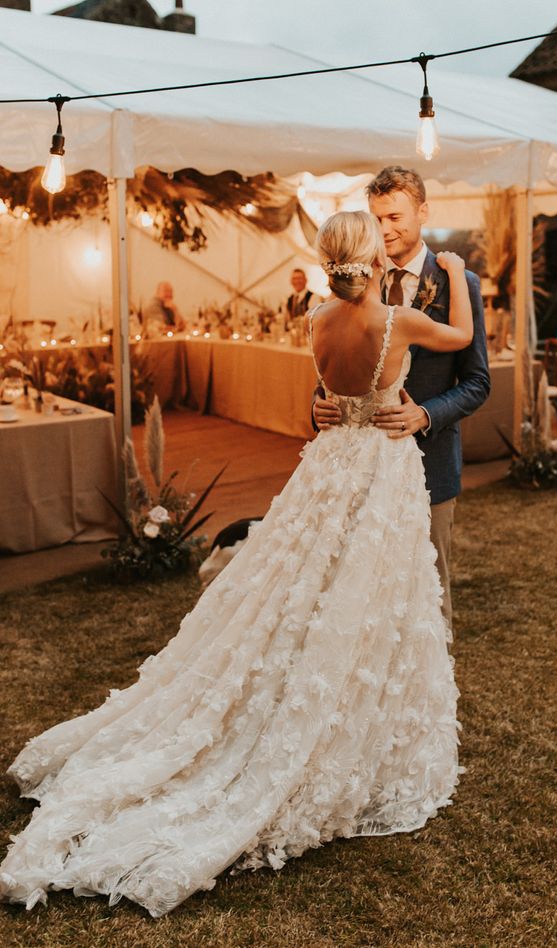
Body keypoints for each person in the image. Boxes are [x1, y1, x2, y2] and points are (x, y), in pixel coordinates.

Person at [0, 211, 469, 919]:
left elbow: (327, 396)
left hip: (330, 462)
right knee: (370, 589)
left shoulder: (316, 319)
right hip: (379, 469)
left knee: (302, 584)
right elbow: (460, 338)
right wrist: (459, 275)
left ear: (327, 259)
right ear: (374, 256)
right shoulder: (397, 320)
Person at [314, 167, 490, 628]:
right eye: (376, 219)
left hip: (429, 463)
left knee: (428, 586)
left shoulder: (459, 285)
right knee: (359, 584)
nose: (385, 229)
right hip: (357, 469)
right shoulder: (352, 287)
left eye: (394, 216)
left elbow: (478, 382)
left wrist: (425, 415)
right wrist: (319, 403)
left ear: (424, 212)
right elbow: (341, 366)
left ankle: (431, 684)